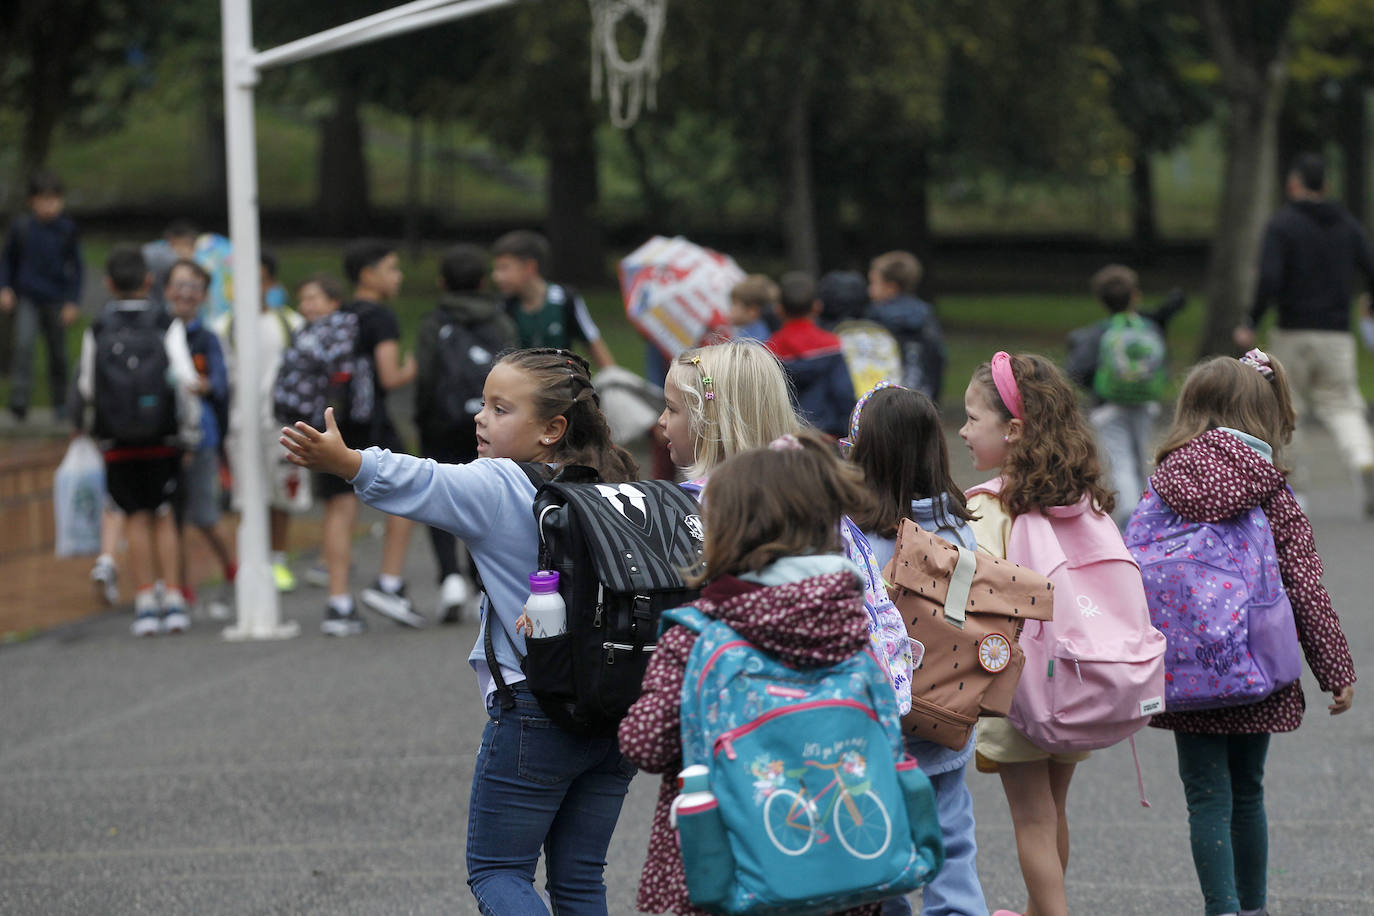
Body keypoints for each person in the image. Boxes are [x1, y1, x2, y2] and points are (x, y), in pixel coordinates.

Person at [281, 347, 638, 913]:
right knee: (579, 881)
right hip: (618, 712)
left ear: (552, 429)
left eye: (500, 409)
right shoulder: (618, 485)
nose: (480, 417)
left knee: (499, 871)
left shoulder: (500, 484)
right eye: (484, 403)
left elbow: (423, 479)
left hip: (537, 706)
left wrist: (348, 461)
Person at [618, 430, 889, 916]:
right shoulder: (847, 626)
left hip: (725, 874)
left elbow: (646, 743)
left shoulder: (697, 634)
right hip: (839, 871)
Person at [1137, 351, 1356, 916]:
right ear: (1262, 413)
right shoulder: (1271, 492)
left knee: (1205, 797)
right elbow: (1305, 586)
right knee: (1247, 792)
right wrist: (1336, 670)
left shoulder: (1161, 487)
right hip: (1256, 665)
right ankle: (1254, 908)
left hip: (1181, 665)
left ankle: (1222, 909)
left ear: (1190, 411)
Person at [659, 338, 913, 715]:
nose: (660, 421)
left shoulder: (699, 509)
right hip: (847, 712)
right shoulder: (817, 499)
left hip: (752, 721)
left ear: (710, 418)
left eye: (671, 408)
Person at [958, 351, 1116, 916]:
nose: (963, 430)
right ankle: (1036, 911)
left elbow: (975, 603)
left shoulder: (990, 510)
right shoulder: (1080, 501)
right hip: (1077, 678)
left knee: (1031, 817)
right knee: (1054, 811)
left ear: (1014, 429)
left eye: (974, 418)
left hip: (1020, 689)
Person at [847, 382, 988, 916]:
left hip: (880, 720)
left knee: (880, 845)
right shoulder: (958, 527)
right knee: (952, 841)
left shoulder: (858, 536)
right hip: (947, 712)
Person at [1234, 152, 1374, 514]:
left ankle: (1291, 486)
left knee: (1287, 406)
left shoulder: (1282, 225)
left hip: (1293, 331)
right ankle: (1363, 458)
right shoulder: (1347, 224)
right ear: (1325, 186)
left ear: (1293, 185)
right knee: (1342, 404)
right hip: (1336, 335)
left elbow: (1269, 277)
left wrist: (1251, 321)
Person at [72, 244, 200, 636]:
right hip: (163, 434)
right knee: (164, 515)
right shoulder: (165, 322)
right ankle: (174, 599)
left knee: (135, 517)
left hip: (117, 438)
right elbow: (185, 381)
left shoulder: (98, 327)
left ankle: (145, 601)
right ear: (149, 281)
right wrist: (190, 432)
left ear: (108, 283)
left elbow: (87, 386)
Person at [414, 243, 515, 624]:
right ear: (482, 280)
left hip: (442, 421)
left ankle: (449, 578)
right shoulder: (500, 320)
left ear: (442, 282)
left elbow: (425, 377)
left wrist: (422, 419)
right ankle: (479, 582)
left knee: (440, 495)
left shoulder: (432, 322)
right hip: (491, 421)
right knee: (485, 498)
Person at [1064, 264, 1186, 526]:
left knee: (1120, 462)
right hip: (1145, 403)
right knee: (1141, 457)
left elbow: (1076, 369)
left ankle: (1131, 514)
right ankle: (1150, 512)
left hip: (1109, 408)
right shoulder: (1148, 327)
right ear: (1135, 296)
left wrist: (1098, 387)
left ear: (1101, 300)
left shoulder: (1099, 331)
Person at [218, 251, 309, 594]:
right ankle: (252, 559)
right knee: (247, 495)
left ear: (269, 281)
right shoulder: (226, 327)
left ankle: (279, 560)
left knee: (283, 493)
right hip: (241, 425)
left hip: (281, 424)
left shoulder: (290, 323)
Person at [342, 239, 422, 627]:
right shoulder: (381, 317)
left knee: (338, 508)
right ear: (367, 274)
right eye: (391, 267)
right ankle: (389, 582)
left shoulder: (341, 312)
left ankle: (338, 600)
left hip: (338, 421)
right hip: (374, 421)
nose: (398, 276)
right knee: (407, 493)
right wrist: (416, 365)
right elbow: (390, 377)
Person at [166, 259, 236, 607]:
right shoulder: (157, 332)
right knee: (172, 517)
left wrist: (199, 385)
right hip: (164, 436)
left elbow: (221, 384)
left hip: (201, 437)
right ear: (165, 290)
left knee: (204, 514)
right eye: (178, 284)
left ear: (204, 295)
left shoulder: (208, 339)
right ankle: (181, 588)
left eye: (193, 286)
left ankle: (232, 568)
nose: (185, 293)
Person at [0, 170, 83, 422]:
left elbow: (76, 268)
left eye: (54, 199)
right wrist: (5, 288)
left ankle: (61, 402)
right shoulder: (22, 228)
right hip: (28, 297)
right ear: (32, 201)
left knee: (58, 352)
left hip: (56, 298)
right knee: (24, 347)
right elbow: (7, 261)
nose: (49, 206)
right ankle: (19, 401)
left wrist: (72, 301)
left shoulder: (67, 230)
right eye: (44, 200)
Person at [492, 229, 616, 370]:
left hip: (560, 385)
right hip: (519, 386)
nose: (496, 276)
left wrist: (612, 376)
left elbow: (592, 341)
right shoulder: (503, 307)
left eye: (504, 268)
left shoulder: (565, 299)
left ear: (529, 267)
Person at [765, 271, 856, 438]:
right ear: (817, 306)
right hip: (826, 439)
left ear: (778, 309)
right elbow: (844, 394)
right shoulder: (832, 345)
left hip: (782, 439)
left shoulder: (767, 350)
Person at [867, 251, 947, 402]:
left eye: (873, 283)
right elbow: (938, 357)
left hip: (884, 400)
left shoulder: (875, 319)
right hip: (921, 396)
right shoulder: (926, 316)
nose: (869, 290)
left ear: (890, 287)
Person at [726, 274, 778, 342]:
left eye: (734, 304)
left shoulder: (753, 340)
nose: (731, 309)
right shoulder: (746, 332)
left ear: (752, 311)